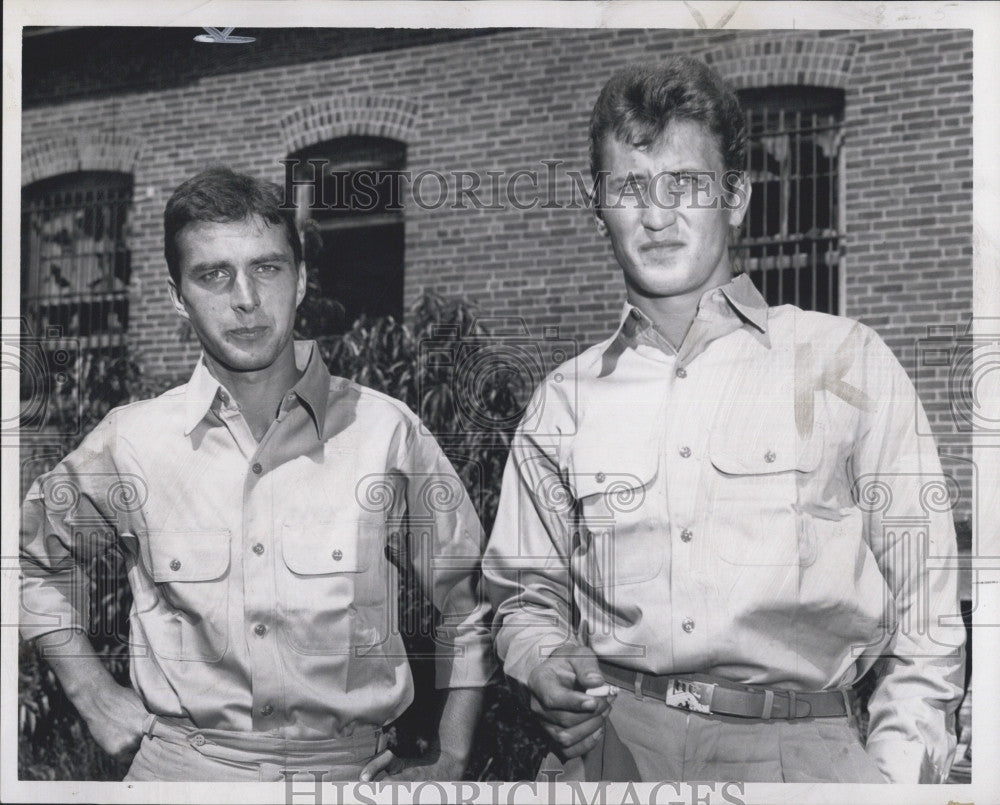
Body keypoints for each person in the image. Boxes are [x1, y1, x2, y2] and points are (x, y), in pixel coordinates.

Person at [483, 57, 965, 784]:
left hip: (803, 754)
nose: (657, 214)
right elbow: (525, 594)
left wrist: (895, 780)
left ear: (735, 196)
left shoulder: (846, 363)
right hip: (613, 745)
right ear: (596, 201)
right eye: (630, 188)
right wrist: (543, 658)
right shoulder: (563, 400)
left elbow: (927, 611)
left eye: (686, 184)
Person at [19, 166, 495, 782]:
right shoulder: (131, 442)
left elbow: (470, 602)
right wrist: (88, 689)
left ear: (300, 281)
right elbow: (28, 558)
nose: (245, 297)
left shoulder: (385, 434)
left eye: (267, 267)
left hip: (349, 774)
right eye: (213, 274)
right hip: (179, 776)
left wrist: (451, 756)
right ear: (176, 296)